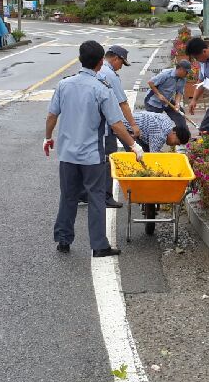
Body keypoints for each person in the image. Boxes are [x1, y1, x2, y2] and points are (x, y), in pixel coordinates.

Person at [45, 40, 140, 257]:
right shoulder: (101, 88)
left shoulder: (64, 85)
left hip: (67, 154)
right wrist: (134, 146)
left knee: (68, 196)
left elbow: (52, 115)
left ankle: (63, 239)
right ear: (100, 63)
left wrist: (47, 137)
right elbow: (116, 125)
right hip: (91, 156)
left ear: (80, 59)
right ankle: (99, 245)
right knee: (96, 197)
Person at [96, 44, 138, 209]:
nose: (121, 67)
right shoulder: (110, 75)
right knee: (109, 160)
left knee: (91, 160)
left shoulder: (97, 70)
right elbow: (123, 103)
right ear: (115, 58)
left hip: (90, 126)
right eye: (121, 63)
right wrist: (133, 125)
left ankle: (83, 193)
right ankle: (106, 196)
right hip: (106, 126)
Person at [145, 59, 191, 130]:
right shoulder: (166, 74)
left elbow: (179, 92)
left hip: (167, 101)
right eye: (186, 72)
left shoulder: (183, 79)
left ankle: (183, 136)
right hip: (153, 101)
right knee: (153, 124)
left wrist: (177, 104)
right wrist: (159, 95)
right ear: (181, 69)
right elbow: (151, 82)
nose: (187, 74)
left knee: (180, 115)